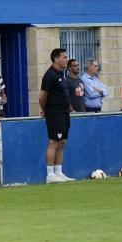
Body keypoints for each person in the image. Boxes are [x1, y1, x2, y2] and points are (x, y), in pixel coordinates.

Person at [39, 48, 74, 183]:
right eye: (64, 57)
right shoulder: (50, 75)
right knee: (53, 142)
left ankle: (59, 173)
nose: (66, 59)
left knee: (62, 142)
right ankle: (50, 175)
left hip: (65, 113)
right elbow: (42, 96)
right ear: (56, 59)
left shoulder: (62, 74)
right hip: (55, 113)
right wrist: (45, 110)